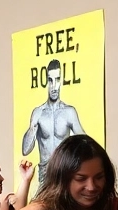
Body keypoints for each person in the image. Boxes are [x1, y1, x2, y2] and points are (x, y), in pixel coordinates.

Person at [22, 59, 84, 189]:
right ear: (46, 82)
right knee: (43, 209)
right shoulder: (38, 112)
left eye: (57, 79)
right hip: (45, 174)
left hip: (64, 172)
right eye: (50, 80)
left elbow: (86, 143)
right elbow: (26, 150)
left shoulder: (69, 112)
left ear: (61, 81)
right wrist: (33, 127)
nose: (54, 85)